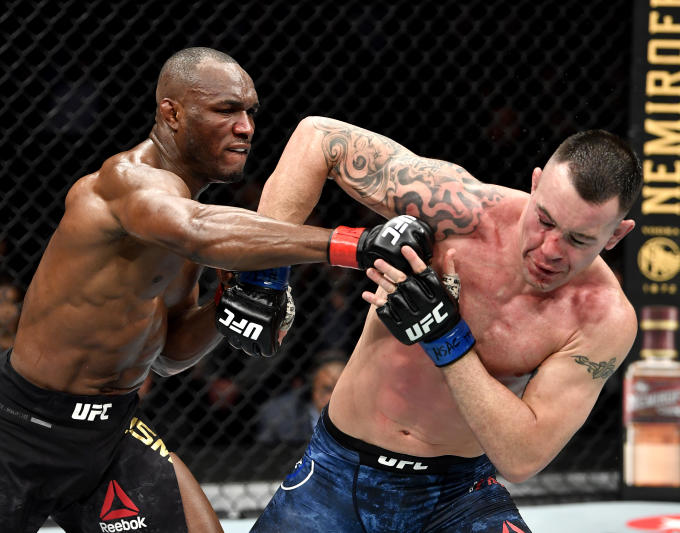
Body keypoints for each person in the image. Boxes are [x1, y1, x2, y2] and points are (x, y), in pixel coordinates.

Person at [0, 49, 429, 533]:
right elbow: (198, 229)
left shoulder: (184, 219)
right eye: (226, 110)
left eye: (250, 112)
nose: (245, 128)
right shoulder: (125, 184)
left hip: (109, 431)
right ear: (172, 114)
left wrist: (225, 304)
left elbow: (170, 356)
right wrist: (355, 243)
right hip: (20, 430)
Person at [248, 116, 642, 532]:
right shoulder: (460, 212)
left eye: (579, 239)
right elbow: (319, 138)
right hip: (336, 472)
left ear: (615, 235)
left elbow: (523, 457)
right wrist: (265, 277)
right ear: (535, 183)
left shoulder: (602, 317)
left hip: (457, 495)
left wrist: (444, 336)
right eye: (544, 220)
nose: (550, 250)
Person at [256, 350, 347, 445]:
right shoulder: (277, 417)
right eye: (328, 389)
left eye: (344, 389)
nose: (337, 397)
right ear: (312, 389)